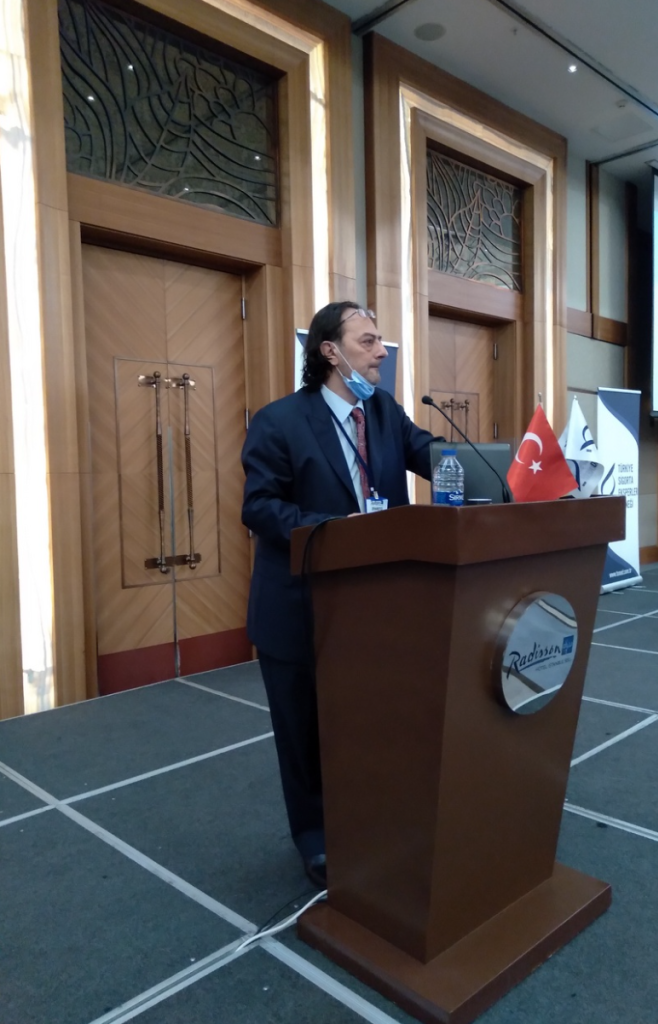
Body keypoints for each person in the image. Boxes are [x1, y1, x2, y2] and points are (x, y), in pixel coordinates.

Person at [241, 301, 440, 887]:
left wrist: (501, 474)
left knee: (370, 721)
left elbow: (432, 454)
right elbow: (259, 507)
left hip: (376, 606)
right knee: (303, 732)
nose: (382, 352)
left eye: (380, 341)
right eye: (369, 341)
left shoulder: (384, 411)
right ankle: (315, 838)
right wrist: (334, 528)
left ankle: (369, 817)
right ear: (330, 351)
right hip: (300, 606)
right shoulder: (279, 421)